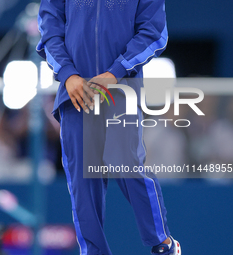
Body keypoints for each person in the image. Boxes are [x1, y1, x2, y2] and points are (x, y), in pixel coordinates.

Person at [37, 0, 181, 254]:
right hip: (76, 94)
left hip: (121, 90)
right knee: (82, 184)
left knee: (128, 164)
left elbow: (154, 32)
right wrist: (68, 75)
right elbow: (50, 30)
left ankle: (163, 244)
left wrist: (115, 72)